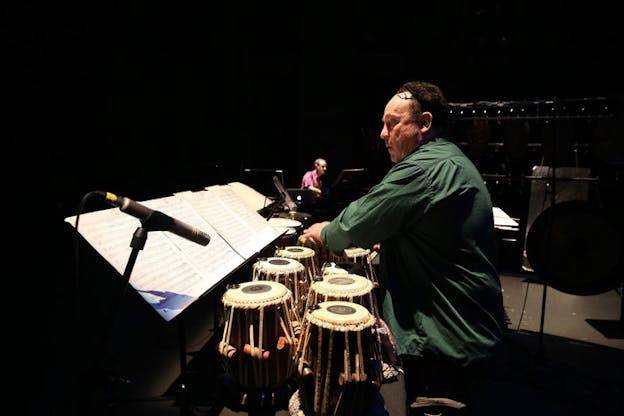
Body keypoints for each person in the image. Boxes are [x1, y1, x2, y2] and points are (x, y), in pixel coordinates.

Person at [300, 81, 506, 416]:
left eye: (392, 123)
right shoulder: (450, 158)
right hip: (468, 340)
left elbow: (353, 225)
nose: (383, 134)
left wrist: (325, 231)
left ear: (424, 123)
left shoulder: (423, 167)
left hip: (446, 350)